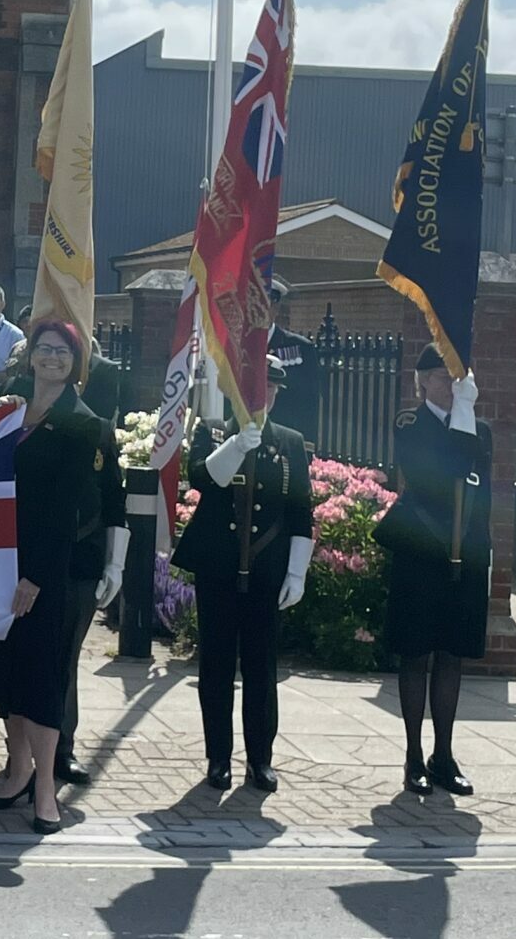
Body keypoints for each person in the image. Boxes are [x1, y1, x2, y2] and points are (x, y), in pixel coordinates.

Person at [0, 320, 123, 834]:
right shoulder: (12, 410)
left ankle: (45, 787)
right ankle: (17, 769)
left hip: (52, 573)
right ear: (30, 357)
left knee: (44, 680)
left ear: (75, 362)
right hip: (4, 563)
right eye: (44, 350)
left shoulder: (83, 423)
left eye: (62, 352)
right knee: (10, 673)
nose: (52, 359)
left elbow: (65, 512)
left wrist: (36, 578)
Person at [172, 356, 313, 793]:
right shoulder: (213, 430)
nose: (264, 394)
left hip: (267, 570)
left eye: (271, 388)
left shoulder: (289, 442)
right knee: (215, 665)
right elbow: (202, 478)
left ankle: (260, 759)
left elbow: (300, 511)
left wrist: (296, 573)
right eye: (256, 386)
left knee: (260, 666)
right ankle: (219, 757)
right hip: (218, 566)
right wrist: (237, 445)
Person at [374, 345, 492, 796]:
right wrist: (461, 414)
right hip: (422, 553)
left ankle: (444, 754)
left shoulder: (479, 428)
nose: (454, 383)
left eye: (459, 376)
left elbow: (481, 490)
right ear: (423, 382)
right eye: (445, 376)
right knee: (416, 654)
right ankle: (413, 756)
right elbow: (441, 476)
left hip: (465, 554)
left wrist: (487, 547)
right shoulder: (410, 423)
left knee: (451, 654)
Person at [264, 277, 321, 448]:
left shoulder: (300, 348)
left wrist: (307, 447)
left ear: (275, 308)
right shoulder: (234, 345)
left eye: (266, 304)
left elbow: (309, 402)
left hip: (285, 442)